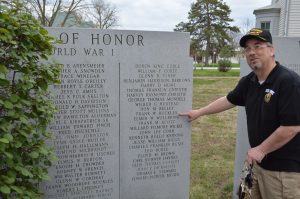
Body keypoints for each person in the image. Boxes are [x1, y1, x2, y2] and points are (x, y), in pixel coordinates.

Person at [180, 28, 300, 198]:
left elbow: (292, 127)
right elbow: (229, 100)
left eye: (258, 46)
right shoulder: (249, 81)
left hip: (281, 172)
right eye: (248, 49)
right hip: (255, 164)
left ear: (271, 50)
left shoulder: (289, 82)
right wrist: (200, 112)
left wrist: (260, 150)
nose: (252, 52)